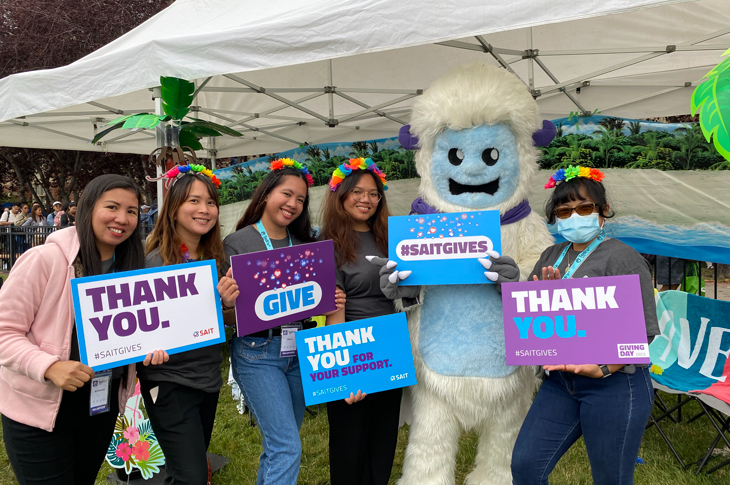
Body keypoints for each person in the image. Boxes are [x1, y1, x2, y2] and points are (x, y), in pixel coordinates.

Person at [0, 174, 168, 485]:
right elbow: (4, 332)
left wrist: (149, 347)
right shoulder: (45, 260)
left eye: (132, 211)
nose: (122, 219)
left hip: (99, 409)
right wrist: (49, 366)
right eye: (113, 207)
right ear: (88, 208)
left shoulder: (133, 270)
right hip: (38, 415)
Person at [511, 166, 660, 485]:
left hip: (616, 386)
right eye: (564, 211)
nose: (573, 216)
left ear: (603, 210)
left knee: (611, 478)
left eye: (584, 208)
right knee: (525, 466)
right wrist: (539, 301)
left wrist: (605, 368)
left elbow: (644, 330)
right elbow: (532, 314)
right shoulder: (552, 253)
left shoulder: (623, 258)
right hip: (560, 383)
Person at [222, 158, 343, 485]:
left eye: (301, 199)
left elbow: (318, 298)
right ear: (265, 194)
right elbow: (229, 317)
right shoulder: (237, 243)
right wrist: (227, 303)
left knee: (279, 445)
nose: (293, 204)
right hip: (257, 352)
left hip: (300, 351)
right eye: (286, 194)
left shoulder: (306, 245)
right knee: (287, 446)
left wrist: (334, 298)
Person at [137, 164, 239, 485]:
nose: (204, 209)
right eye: (194, 201)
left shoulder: (218, 259)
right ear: (174, 207)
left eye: (210, 202)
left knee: (186, 468)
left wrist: (228, 305)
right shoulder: (150, 261)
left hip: (207, 377)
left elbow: (225, 323)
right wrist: (144, 348)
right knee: (193, 476)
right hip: (167, 380)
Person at [319, 158, 414, 485]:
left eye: (374, 194)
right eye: (357, 192)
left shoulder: (392, 236)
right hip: (350, 350)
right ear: (341, 194)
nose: (366, 199)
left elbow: (411, 290)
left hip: (390, 349)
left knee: (383, 442)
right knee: (349, 446)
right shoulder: (327, 242)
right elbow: (335, 307)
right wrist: (346, 374)